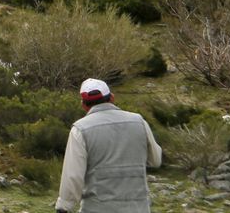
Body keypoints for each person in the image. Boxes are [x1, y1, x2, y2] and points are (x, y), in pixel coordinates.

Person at [55, 78, 162, 213]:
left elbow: (73, 176)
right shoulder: (139, 122)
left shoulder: (80, 129)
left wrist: (64, 206)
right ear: (112, 98)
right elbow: (156, 160)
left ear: (84, 105)